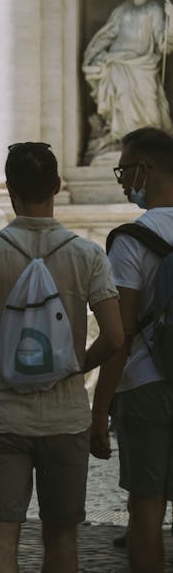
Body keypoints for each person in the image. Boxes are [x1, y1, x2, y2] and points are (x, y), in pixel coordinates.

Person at [0, 142, 124, 573]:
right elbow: (116, 337)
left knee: (0, 535)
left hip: (2, 414)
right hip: (65, 416)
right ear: (58, 187)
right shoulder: (87, 254)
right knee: (62, 538)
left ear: (10, 189)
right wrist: (74, 365)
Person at [91, 126, 173, 572]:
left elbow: (118, 333)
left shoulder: (131, 238)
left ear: (146, 167)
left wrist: (99, 408)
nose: (123, 182)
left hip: (145, 385)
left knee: (146, 509)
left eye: (124, 170)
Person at [82, 0, 173, 159]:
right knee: (121, 98)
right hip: (118, 62)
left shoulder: (154, 10)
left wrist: (171, 20)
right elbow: (107, 35)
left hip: (144, 64)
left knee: (151, 103)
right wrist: (93, 54)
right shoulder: (121, 11)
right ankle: (124, 142)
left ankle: (150, 145)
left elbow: (164, 45)